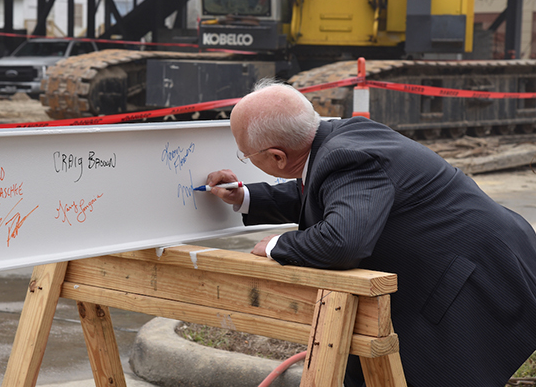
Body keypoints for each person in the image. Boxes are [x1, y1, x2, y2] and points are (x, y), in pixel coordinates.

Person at [206, 80, 536, 387]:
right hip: (473, 258)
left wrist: (277, 246)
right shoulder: (343, 136)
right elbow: (325, 196)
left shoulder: (345, 158)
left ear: (278, 156)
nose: (244, 158)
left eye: (245, 154)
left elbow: (342, 243)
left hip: (475, 276)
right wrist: (245, 196)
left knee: (416, 373)